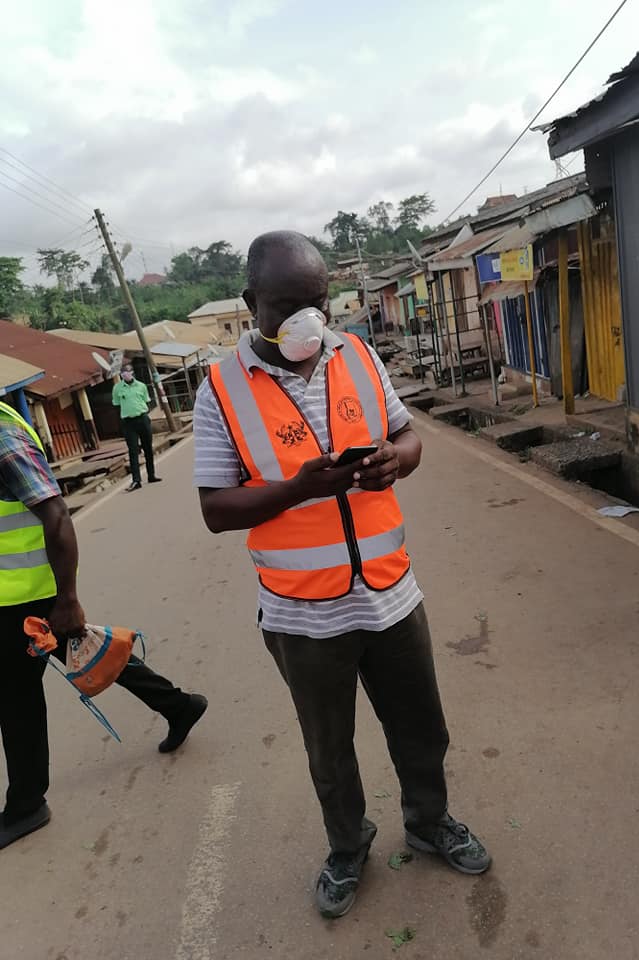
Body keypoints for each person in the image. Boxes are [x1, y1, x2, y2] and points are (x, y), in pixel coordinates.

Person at [194, 231, 491, 920]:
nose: (307, 319)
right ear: (251, 304)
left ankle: (428, 821)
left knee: (421, 727)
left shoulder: (355, 353)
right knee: (329, 749)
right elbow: (215, 509)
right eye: (287, 304)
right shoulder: (221, 388)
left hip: (391, 594)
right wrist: (298, 489)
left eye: (318, 302)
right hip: (303, 614)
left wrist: (397, 458)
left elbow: (407, 435)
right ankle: (347, 847)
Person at [0, 399, 207, 851]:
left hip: (23, 602)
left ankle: (27, 805)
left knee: (17, 703)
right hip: (18, 597)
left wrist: (68, 599)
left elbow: (55, 514)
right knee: (86, 656)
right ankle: (178, 705)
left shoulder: (3, 437)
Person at [112, 363, 161, 492]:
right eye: (123, 373)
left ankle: (151, 475)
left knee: (147, 448)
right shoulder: (117, 388)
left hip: (142, 418)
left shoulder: (141, 386)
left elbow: (146, 400)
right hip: (128, 422)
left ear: (132, 372)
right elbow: (116, 403)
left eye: (127, 371)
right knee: (133, 451)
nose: (125, 374)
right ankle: (136, 480)